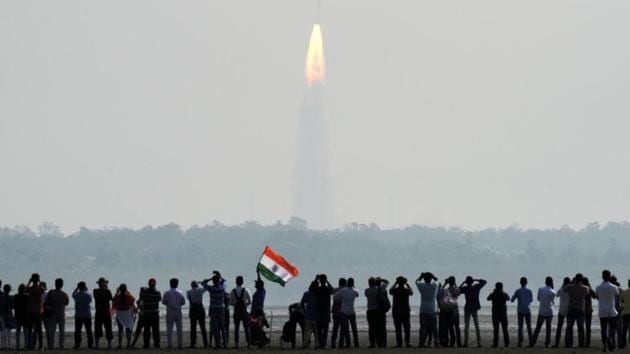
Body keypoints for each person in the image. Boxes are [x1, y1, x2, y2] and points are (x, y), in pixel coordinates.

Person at [132, 278, 161, 349]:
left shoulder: (144, 292)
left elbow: (141, 300)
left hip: (146, 314)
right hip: (154, 313)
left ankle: (146, 344)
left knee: (147, 330)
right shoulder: (157, 293)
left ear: (148, 284)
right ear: (155, 284)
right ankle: (156, 344)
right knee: (155, 330)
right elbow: (159, 300)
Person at [202, 270, 227, 349]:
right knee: (222, 327)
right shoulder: (222, 288)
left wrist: (209, 279)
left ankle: (217, 343)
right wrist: (220, 276)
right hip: (221, 308)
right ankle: (225, 343)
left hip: (213, 308)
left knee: (215, 327)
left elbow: (203, 283)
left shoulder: (211, 288)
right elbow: (225, 281)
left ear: (213, 282)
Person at [459, 276, 486, 347]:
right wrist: (476, 279)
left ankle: (466, 342)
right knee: (477, 325)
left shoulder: (465, 288)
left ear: (466, 282)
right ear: (472, 282)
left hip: (467, 307)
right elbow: (484, 281)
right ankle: (479, 343)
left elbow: (458, 289)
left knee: (466, 326)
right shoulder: (476, 287)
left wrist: (463, 283)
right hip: (475, 307)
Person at [597, 270, 620, 352]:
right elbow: (617, 295)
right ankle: (612, 342)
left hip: (602, 310)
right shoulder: (614, 287)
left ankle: (605, 346)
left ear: (602, 277)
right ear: (609, 277)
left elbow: (598, 297)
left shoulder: (598, 287)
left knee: (603, 329)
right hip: (611, 310)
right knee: (612, 329)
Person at [529, 276, 555, 347]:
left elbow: (538, 299)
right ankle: (547, 343)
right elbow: (552, 301)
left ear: (545, 282)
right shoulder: (553, 292)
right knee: (548, 328)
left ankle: (532, 342)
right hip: (550, 311)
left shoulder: (540, 289)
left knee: (538, 327)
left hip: (542, 311)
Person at [565, 273, 588, 348]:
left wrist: (572, 283)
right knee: (580, 327)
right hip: (580, 308)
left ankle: (569, 343)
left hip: (571, 308)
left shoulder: (570, 287)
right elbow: (588, 293)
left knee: (569, 327)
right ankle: (581, 343)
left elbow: (564, 289)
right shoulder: (585, 288)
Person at [416, 272, 439, 348]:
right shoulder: (434, 286)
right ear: (430, 279)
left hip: (423, 309)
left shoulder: (422, 286)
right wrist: (433, 276)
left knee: (423, 327)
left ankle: (421, 343)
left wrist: (420, 276)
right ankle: (436, 342)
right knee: (434, 327)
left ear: (425, 279)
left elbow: (417, 282)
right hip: (432, 309)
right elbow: (437, 281)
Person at [334, 278, 358, 348]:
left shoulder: (343, 291)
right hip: (352, 311)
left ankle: (345, 343)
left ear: (347, 283)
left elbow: (335, 297)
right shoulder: (354, 291)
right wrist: (353, 287)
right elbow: (357, 294)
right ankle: (356, 343)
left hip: (344, 311)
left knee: (344, 328)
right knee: (354, 329)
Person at [389, 276, 413, 348]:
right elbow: (411, 292)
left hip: (396, 311)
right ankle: (407, 342)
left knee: (398, 328)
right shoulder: (406, 290)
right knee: (407, 328)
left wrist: (395, 283)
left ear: (398, 283)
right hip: (405, 311)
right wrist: (407, 284)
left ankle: (399, 343)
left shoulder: (395, 290)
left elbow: (390, 290)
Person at [162, 278, 185, 349]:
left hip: (170, 311)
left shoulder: (167, 292)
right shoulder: (180, 292)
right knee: (179, 328)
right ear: (177, 284)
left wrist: (169, 304)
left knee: (169, 328)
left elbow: (164, 302)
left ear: (170, 284)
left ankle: (170, 344)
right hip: (178, 311)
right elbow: (183, 302)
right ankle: (180, 344)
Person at [45, 278, 69, 349]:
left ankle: (52, 345)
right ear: (62, 285)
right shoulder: (64, 294)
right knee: (62, 331)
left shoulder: (51, 293)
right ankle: (61, 345)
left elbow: (46, 301)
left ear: (55, 284)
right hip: (61, 314)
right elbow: (67, 303)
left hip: (53, 314)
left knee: (52, 331)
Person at [230, 275, 251, 348]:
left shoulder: (233, 291)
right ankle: (248, 344)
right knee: (246, 328)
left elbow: (231, 303)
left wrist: (236, 304)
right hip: (244, 311)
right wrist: (245, 304)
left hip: (236, 311)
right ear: (242, 282)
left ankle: (236, 344)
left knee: (236, 328)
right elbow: (250, 301)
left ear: (236, 282)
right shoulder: (246, 290)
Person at [511, 276, 533, 347]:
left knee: (520, 326)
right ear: (526, 283)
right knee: (529, 325)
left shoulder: (517, 291)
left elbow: (512, 300)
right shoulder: (529, 291)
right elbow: (531, 300)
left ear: (520, 283)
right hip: (527, 309)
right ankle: (531, 341)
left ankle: (520, 342)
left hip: (520, 309)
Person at [313, 274, 333, 349]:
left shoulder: (317, 289)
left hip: (318, 312)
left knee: (319, 330)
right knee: (325, 330)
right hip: (326, 311)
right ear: (325, 280)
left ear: (320, 281)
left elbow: (310, 288)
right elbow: (333, 290)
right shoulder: (328, 289)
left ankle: (320, 343)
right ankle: (323, 344)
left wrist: (315, 280)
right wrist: (327, 281)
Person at [112, 284, 135, 349]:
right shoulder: (129, 296)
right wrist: (128, 292)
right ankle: (128, 344)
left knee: (120, 330)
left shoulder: (117, 297)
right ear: (126, 289)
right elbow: (133, 300)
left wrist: (117, 292)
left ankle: (120, 345)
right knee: (128, 329)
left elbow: (113, 300)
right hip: (127, 313)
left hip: (120, 314)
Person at [487, 281, 510, 348]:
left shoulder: (493, 293)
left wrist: (493, 292)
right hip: (503, 313)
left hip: (495, 313)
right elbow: (508, 298)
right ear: (502, 287)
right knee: (505, 329)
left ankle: (495, 343)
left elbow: (488, 298)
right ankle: (506, 343)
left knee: (496, 329)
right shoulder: (504, 293)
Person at [26, 273, 45, 350]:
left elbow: (25, 290)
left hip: (31, 311)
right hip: (38, 312)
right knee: (39, 330)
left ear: (32, 280)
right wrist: (39, 281)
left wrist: (29, 282)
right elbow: (44, 288)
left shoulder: (30, 289)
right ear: (38, 280)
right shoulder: (40, 289)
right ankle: (40, 346)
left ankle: (29, 346)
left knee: (30, 329)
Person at [93, 277, 113, 349]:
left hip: (98, 312)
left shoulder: (95, 291)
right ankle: (109, 345)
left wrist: (104, 286)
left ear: (98, 284)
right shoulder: (107, 291)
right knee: (108, 328)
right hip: (106, 312)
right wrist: (106, 286)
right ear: (104, 284)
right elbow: (111, 298)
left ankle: (97, 345)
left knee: (98, 329)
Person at [187, 281, 208, 348]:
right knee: (203, 327)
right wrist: (203, 282)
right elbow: (206, 288)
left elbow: (189, 299)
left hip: (193, 309)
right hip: (200, 308)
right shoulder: (200, 290)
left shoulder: (188, 292)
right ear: (197, 285)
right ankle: (205, 343)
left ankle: (193, 343)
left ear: (191, 285)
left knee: (193, 327)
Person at [73, 281, 94, 349]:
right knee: (89, 331)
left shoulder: (76, 295)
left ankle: (77, 344)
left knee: (78, 331)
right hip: (87, 314)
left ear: (79, 287)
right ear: (84, 287)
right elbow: (90, 300)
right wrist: (86, 290)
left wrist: (76, 288)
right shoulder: (88, 295)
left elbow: (73, 293)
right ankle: (90, 344)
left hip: (78, 315)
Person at [553, 276, 571, 347]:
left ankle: (557, 343)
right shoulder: (570, 289)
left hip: (561, 310)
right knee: (568, 327)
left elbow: (557, 295)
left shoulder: (562, 289)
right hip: (569, 310)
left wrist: (562, 286)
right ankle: (567, 343)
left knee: (559, 327)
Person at [301, 281, 318, 348]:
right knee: (316, 332)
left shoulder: (306, 294)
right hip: (316, 315)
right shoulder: (318, 294)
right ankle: (316, 344)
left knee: (306, 331)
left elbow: (302, 303)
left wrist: (304, 311)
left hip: (308, 315)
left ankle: (305, 344)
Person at [330, 278, 345, 349]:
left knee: (335, 327)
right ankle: (341, 343)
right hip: (342, 308)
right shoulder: (345, 290)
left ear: (339, 283)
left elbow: (331, 288)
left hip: (335, 308)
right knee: (342, 327)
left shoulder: (335, 289)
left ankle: (333, 342)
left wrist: (327, 281)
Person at [13, 284, 28, 350]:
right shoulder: (27, 296)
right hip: (25, 316)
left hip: (18, 315)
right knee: (25, 332)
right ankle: (26, 345)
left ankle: (17, 345)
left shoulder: (15, 296)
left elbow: (14, 306)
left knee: (18, 331)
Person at [583, 277, 596, 347]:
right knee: (588, 326)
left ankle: (582, 341)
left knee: (581, 326)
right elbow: (594, 296)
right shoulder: (589, 288)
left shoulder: (581, 288)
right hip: (588, 309)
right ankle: (588, 342)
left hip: (582, 309)